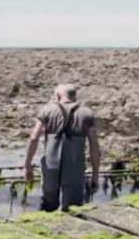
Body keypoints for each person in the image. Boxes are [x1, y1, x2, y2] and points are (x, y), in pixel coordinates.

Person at [24, 84, 100, 212]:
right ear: (74, 97)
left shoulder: (47, 110)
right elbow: (94, 146)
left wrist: (27, 166)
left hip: (50, 165)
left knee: (48, 207)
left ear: (58, 96)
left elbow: (33, 138)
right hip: (74, 166)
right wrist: (95, 175)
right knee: (73, 209)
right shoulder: (86, 113)